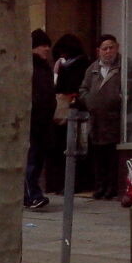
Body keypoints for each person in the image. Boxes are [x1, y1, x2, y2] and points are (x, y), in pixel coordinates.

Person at [76, 34, 132, 200]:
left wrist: (120, 98)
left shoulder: (126, 66)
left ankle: (112, 187)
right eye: (104, 49)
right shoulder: (92, 69)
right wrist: (88, 100)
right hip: (97, 120)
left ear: (117, 47)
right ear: (98, 51)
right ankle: (100, 187)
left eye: (111, 47)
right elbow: (83, 89)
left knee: (112, 156)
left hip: (117, 119)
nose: (108, 52)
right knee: (98, 156)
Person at [47, 34, 88, 193]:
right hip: (66, 111)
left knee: (72, 149)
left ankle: (71, 183)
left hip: (74, 111)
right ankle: (63, 183)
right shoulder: (66, 66)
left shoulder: (78, 65)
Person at [25, 29, 55, 210]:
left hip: (43, 122)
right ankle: (33, 195)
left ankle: (30, 195)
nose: (47, 49)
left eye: (48, 45)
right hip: (33, 121)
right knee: (31, 161)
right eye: (43, 45)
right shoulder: (29, 68)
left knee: (37, 161)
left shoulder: (45, 68)